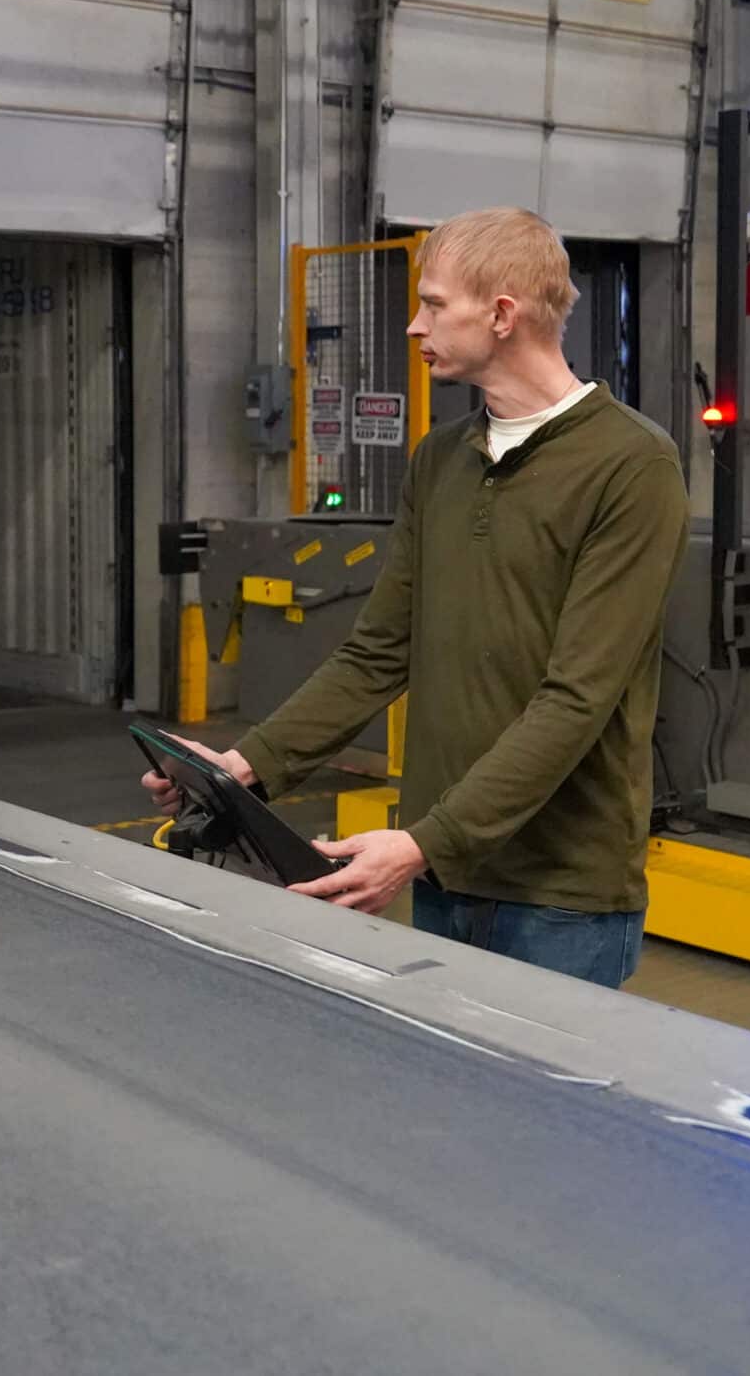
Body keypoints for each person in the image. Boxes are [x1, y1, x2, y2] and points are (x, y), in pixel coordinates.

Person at [144, 207, 687, 988]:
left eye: (434, 305)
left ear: (502, 314)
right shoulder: (442, 458)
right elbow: (377, 652)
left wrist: (425, 840)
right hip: (443, 870)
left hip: (560, 891)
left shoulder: (631, 466)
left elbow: (577, 698)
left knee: (531, 1112)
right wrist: (242, 767)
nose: (413, 326)